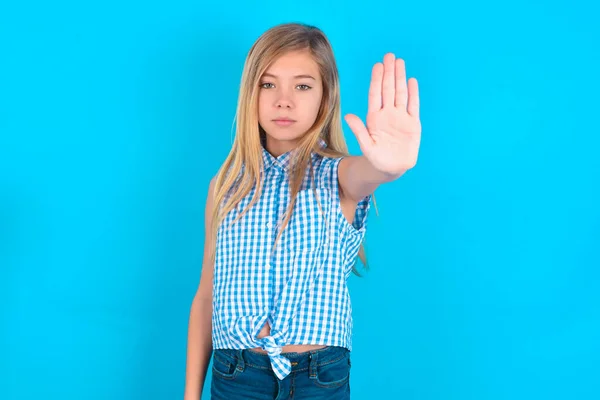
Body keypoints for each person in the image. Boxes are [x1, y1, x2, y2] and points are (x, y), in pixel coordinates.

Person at [183, 22, 421, 400]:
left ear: (325, 98)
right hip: (235, 375)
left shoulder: (338, 176)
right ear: (251, 94)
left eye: (303, 85)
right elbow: (206, 297)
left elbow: (367, 173)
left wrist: (389, 166)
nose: (284, 100)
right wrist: (190, 395)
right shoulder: (225, 185)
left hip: (318, 377)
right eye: (268, 84)